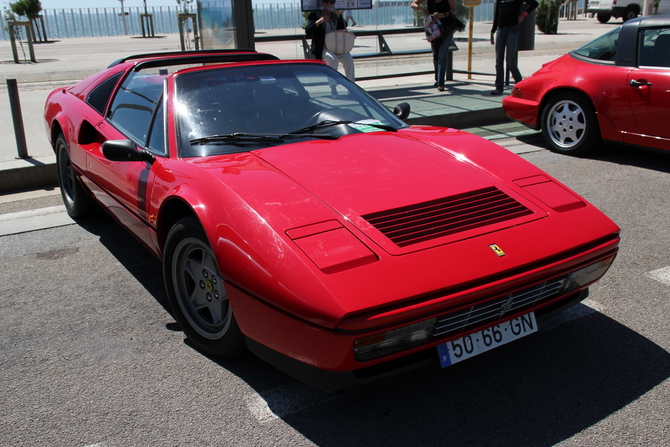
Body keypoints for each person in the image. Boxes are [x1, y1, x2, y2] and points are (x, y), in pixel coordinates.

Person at [490, 0, 538, 95]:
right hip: (500, 29)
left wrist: (523, 14)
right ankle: (499, 87)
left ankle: (519, 83)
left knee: (510, 59)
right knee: (499, 60)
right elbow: (497, 15)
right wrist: (492, 32)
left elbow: (534, 3)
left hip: (512, 29)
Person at [411, 0, 457, 92]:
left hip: (447, 29)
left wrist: (443, 14)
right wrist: (422, 9)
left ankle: (441, 83)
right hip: (433, 30)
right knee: (436, 55)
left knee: (442, 55)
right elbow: (413, 4)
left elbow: (454, 10)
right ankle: (438, 79)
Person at [306, 0, 355, 81]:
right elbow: (308, 30)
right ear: (322, 3)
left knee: (348, 58)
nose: (329, 4)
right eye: (326, 1)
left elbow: (344, 26)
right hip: (322, 46)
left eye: (331, 2)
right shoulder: (315, 15)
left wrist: (337, 13)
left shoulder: (334, 15)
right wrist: (319, 21)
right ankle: (333, 86)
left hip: (336, 45)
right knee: (332, 59)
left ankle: (352, 83)